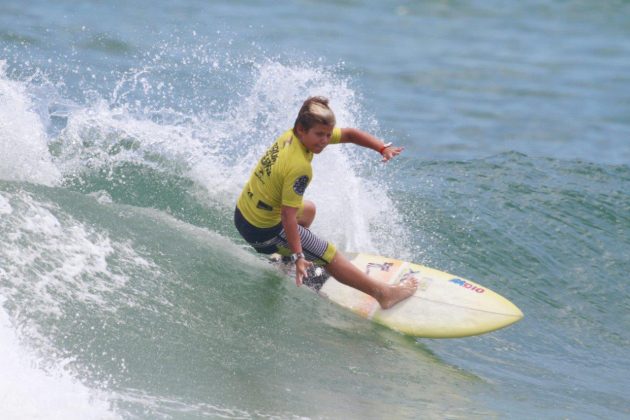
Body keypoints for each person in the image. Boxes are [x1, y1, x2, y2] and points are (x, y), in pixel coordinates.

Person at [234, 96, 418, 309]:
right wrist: (299, 255)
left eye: (328, 135)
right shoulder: (299, 167)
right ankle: (384, 294)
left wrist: (381, 148)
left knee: (309, 210)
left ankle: (283, 261)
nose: (324, 140)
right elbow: (287, 216)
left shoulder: (291, 136)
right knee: (329, 253)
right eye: (320, 135)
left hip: (243, 215)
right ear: (302, 129)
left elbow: (349, 134)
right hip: (263, 233)